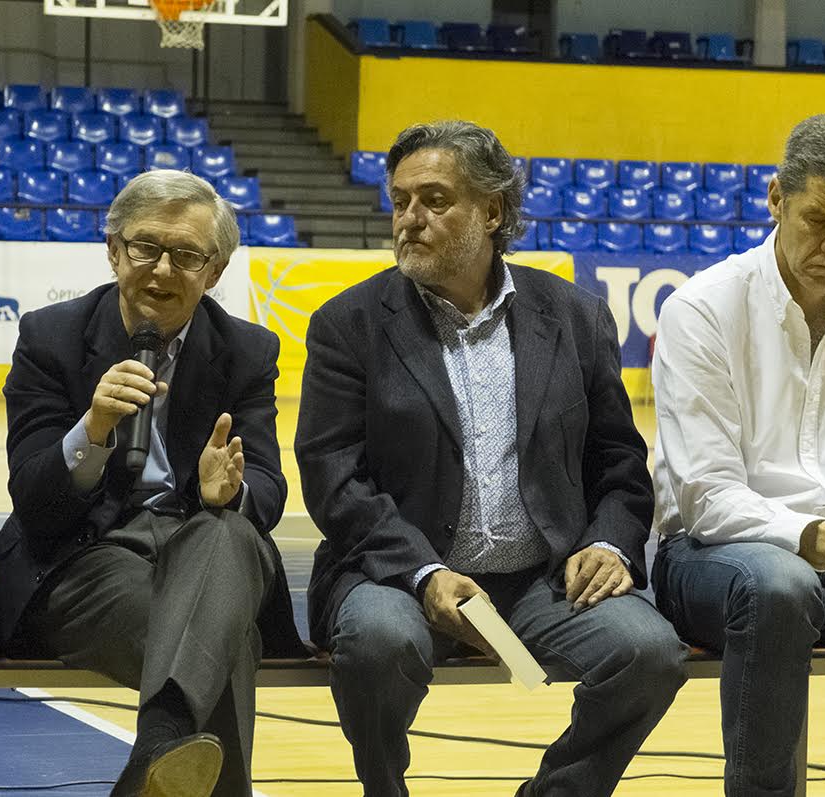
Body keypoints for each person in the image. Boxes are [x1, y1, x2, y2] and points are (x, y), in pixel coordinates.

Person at [295, 120, 688, 797]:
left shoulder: (574, 316)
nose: (410, 220)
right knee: (379, 643)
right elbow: (333, 475)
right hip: (397, 576)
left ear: (493, 209)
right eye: (399, 201)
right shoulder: (347, 324)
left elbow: (618, 460)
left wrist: (609, 543)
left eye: (434, 200)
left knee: (648, 653)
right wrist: (423, 572)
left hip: (540, 578)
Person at [0, 168, 305, 797]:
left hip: (203, 550)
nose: (160, 271)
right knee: (224, 640)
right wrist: (92, 431)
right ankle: (161, 749)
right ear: (112, 251)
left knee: (229, 535)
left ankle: (158, 747)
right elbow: (34, 501)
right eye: (145, 248)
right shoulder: (52, 337)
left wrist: (229, 490)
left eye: (186, 256)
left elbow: (267, 485)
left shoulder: (246, 350)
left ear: (214, 272)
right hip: (84, 559)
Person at [652, 113, 825, 795]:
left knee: (794, 582)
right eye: (818, 220)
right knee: (779, 584)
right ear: (775, 198)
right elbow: (707, 499)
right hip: (712, 559)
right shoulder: (702, 309)